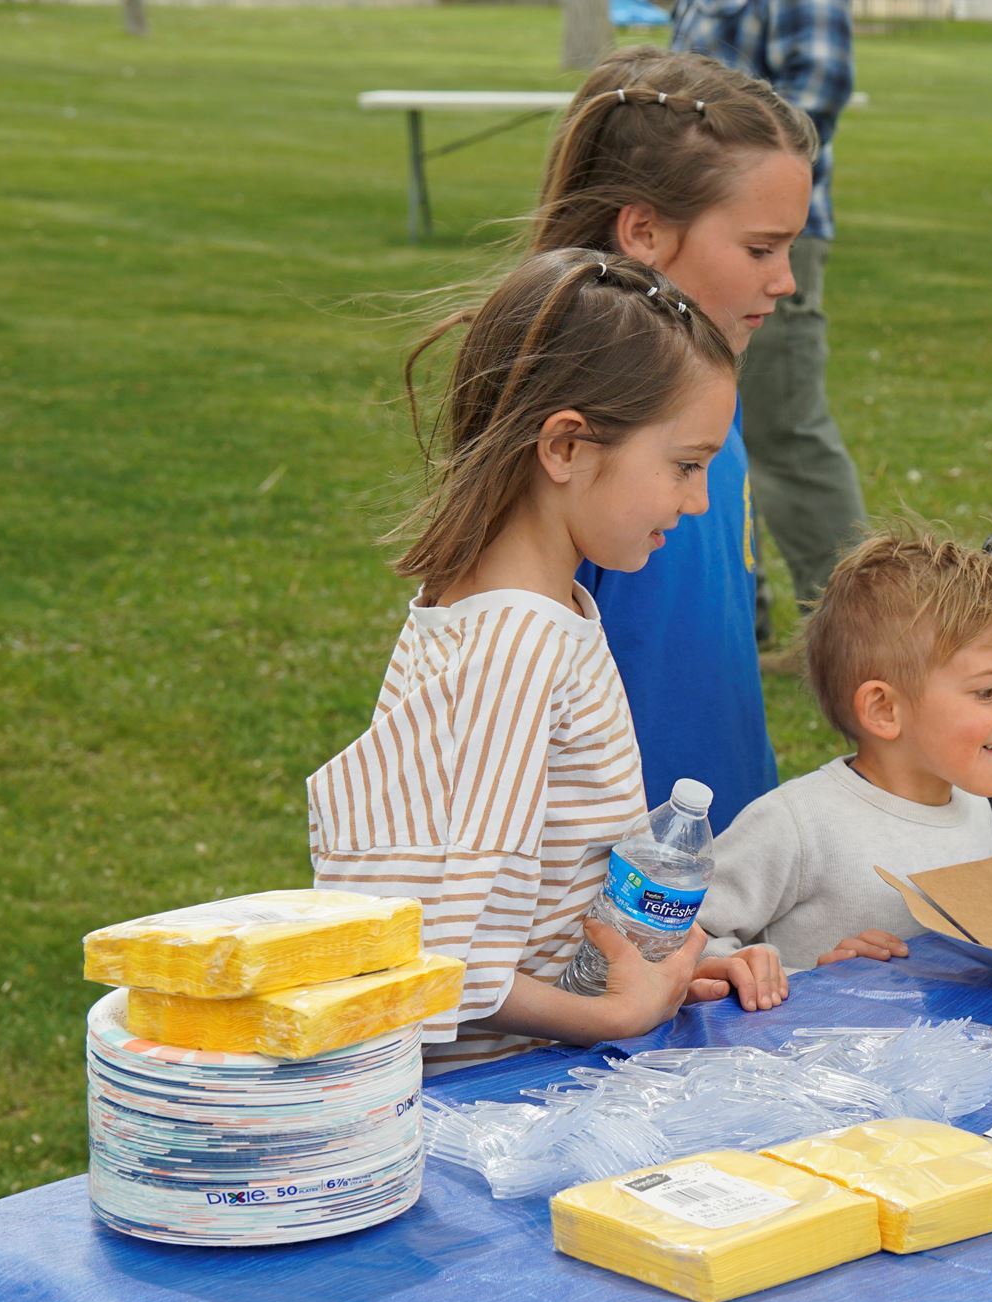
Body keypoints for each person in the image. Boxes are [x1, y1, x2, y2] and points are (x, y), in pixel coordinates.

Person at [309, 251, 786, 1072]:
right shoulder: (519, 647)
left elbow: (537, 909)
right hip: (494, 1092)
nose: (700, 500)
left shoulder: (520, 612)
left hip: (531, 1065)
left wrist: (664, 972)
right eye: (685, 465)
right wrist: (621, 1012)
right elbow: (446, 968)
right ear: (565, 446)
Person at [531, 47, 821, 827]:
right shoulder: (582, 430)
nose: (785, 279)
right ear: (645, 232)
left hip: (719, 850)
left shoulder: (704, 403)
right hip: (618, 881)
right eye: (761, 248)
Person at [696, 527, 992, 968]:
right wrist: (807, 980)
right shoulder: (797, 825)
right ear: (883, 710)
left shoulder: (971, 806)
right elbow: (681, 940)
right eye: (988, 691)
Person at [671, 0, 866, 634]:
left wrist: (725, 184)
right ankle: (731, 611)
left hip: (761, 232)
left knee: (785, 431)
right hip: (699, 237)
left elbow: (820, 86)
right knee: (696, 420)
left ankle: (855, 631)